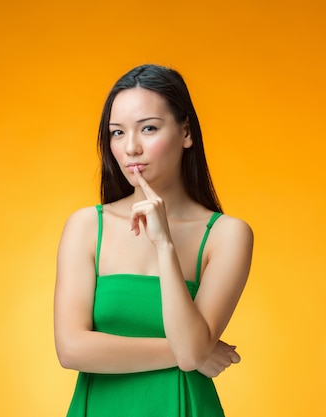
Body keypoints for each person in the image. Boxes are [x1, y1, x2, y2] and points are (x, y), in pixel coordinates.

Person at [54, 64, 254, 417]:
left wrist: (165, 246)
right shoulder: (86, 226)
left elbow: (192, 351)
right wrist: (191, 352)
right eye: (117, 133)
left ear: (186, 132)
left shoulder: (226, 235)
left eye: (148, 128)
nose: (131, 147)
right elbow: (71, 349)